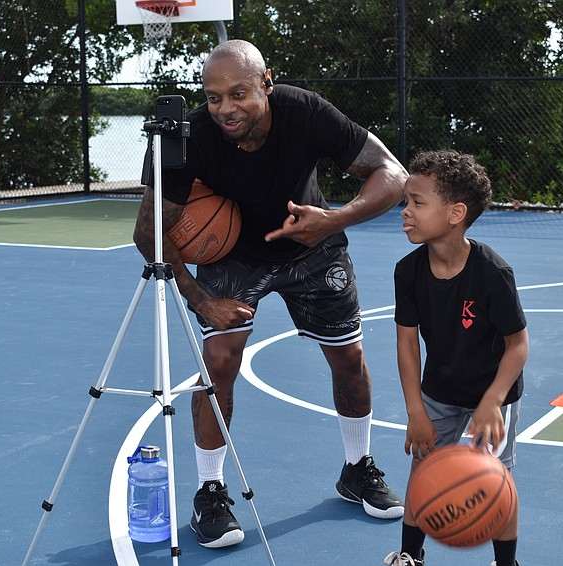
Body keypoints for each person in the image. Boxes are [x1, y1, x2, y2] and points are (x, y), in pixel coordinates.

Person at [132, 39, 407, 549]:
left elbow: (393, 173)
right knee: (219, 359)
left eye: (238, 93)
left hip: (311, 243)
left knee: (350, 359)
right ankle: (210, 492)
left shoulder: (304, 113)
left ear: (266, 82)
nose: (225, 109)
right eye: (214, 98)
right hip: (233, 254)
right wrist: (199, 299)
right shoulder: (190, 136)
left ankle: (357, 468)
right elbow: (148, 233)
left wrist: (337, 218)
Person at [383, 150, 529, 566]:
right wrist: (415, 410)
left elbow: (518, 345)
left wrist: (491, 402)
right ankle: (410, 557)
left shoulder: (492, 273)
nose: (404, 211)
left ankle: (506, 564)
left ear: (455, 213)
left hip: (494, 390)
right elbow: (407, 343)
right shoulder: (408, 271)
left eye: (416, 202)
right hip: (441, 388)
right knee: (423, 468)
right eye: (405, 201)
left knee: (495, 481)